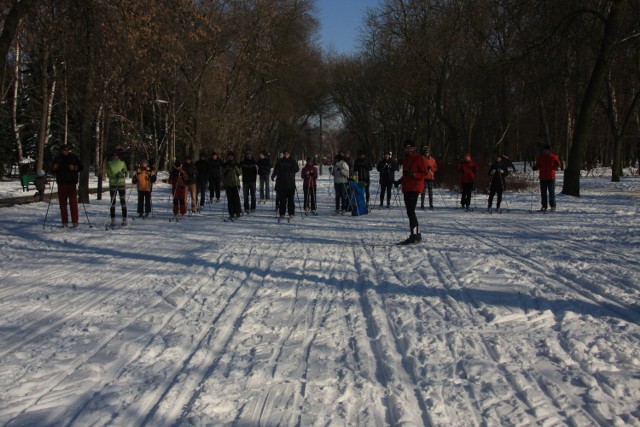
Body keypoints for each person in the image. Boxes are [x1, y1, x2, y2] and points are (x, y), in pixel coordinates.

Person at [394, 140, 428, 244]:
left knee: (411, 211)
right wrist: (399, 181)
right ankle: (414, 234)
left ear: (414, 148)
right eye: (406, 148)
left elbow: (424, 173)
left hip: (415, 187)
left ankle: (416, 236)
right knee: (409, 212)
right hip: (407, 187)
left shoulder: (419, 158)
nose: (408, 150)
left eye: (410, 148)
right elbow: (405, 174)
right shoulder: (406, 159)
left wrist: (414, 175)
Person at [51, 144, 83, 227]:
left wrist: (75, 168)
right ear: (61, 150)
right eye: (64, 150)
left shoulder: (73, 157)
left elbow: (81, 167)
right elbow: (52, 170)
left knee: (73, 204)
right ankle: (64, 222)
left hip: (71, 183)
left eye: (67, 150)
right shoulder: (57, 158)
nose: (66, 151)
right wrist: (54, 168)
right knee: (62, 204)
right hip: (61, 183)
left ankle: (75, 222)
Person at [271, 149, 299, 220]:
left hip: (290, 184)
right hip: (281, 184)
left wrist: (293, 162)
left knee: (291, 200)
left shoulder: (292, 161)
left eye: (287, 153)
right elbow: (276, 170)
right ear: (283, 154)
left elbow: (297, 169)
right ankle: (282, 213)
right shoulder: (280, 161)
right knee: (282, 200)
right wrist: (273, 175)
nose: (286, 155)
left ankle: (291, 213)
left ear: (289, 154)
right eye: (285, 153)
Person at [532, 144, 561, 211]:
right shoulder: (541, 158)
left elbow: (558, 164)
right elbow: (538, 165)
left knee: (551, 192)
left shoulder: (553, 157)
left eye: (546, 150)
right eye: (544, 150)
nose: (544, 151)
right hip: (542, 177)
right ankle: (544, 206)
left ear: (549, 150)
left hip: (551, 177)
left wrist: (556, 166)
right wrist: (535, 167)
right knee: (543, 193)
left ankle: (553, 206)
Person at [105, 151, 128, 227]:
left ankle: (124, 219)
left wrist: (123, 173)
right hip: (113, 184)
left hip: (121, 183)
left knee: (123, 202)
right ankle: (113, 220)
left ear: (119, 156)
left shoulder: (122, 163)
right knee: (113, 202)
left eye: (116, 156)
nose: (115, 157)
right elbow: (108, 174)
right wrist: (116, 175)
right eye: (114, 156)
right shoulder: (109, 163)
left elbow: (126, 172)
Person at [221, 151, 242, 219]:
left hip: (235, 183)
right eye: (229, 156)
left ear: (233, 157)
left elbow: (240, 172)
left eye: (231, 156)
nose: (230, 157)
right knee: (229, 200)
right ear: (227, 157)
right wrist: (227, 168)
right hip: (228, 184)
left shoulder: (236, 164)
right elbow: (223, 173)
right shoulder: (225, 164)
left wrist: (235, 167)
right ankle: (231, 213)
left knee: (236, 199)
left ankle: (238, 212)